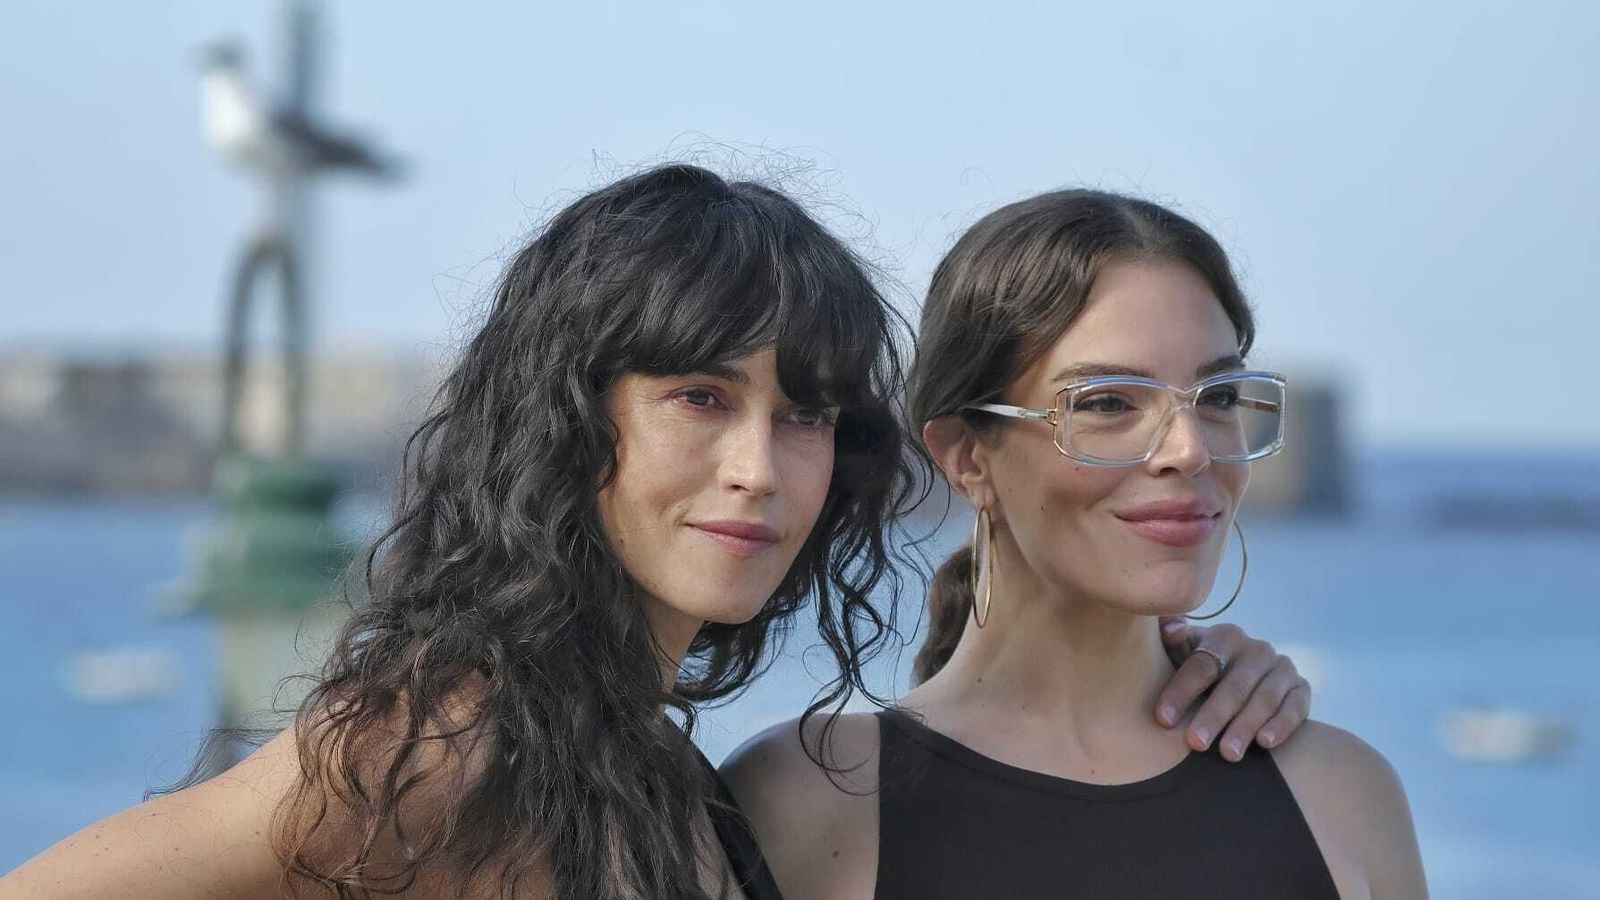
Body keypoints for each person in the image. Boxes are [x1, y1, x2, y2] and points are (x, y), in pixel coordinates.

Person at [2, 167, 1316, 900]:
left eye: (803, 414)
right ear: (579, 417)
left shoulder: (667, 776)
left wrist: (1195, 681)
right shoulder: (446, 740)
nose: (757, 469)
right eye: (700, 398)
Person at [724, 187, 1429, 899]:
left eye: (1216, 399)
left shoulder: (1343, 796)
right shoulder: (807, 801)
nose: (1188, 450)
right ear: (967, 455)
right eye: (1107, 404)